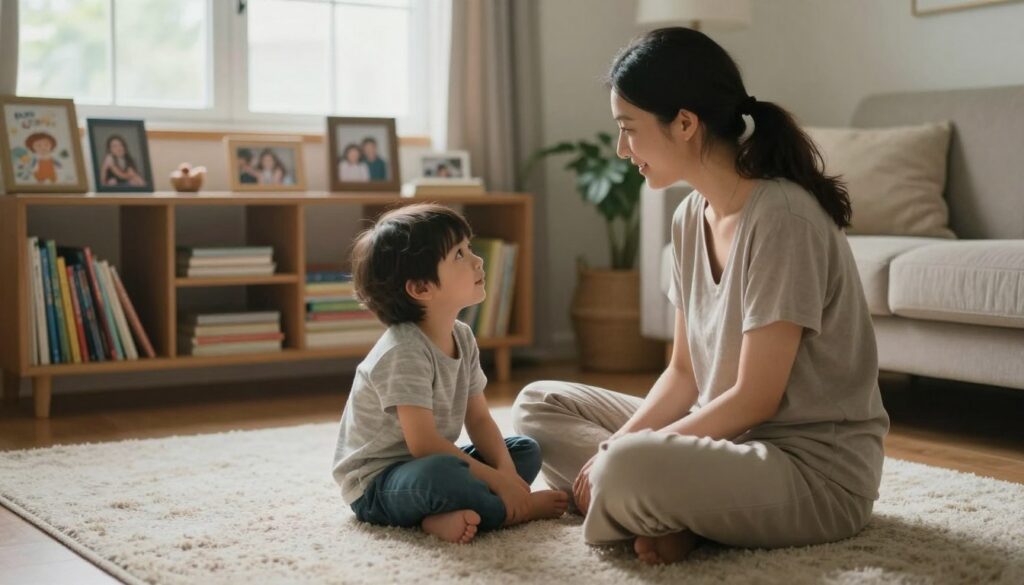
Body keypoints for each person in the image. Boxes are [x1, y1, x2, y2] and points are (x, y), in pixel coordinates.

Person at [512, 27, 889, 564]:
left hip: (812, 472)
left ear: (685, 123)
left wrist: (621, 453)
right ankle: (686, 513)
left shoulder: (782, 219)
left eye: (629, 129)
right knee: (537, 407)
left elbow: (756, 400)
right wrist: (615, 446)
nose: (622, 149)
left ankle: (673, 506)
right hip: (725, 445)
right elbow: (684, 375)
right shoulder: (691, 216)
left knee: (623, 468)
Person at [333, 203, 568, 544]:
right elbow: (425, 445)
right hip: (378, 484)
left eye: (470, 248)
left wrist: (503, 471)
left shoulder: (462, 336)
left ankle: (438, 518)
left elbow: (480, 419)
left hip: (428, 465)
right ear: (420, 288)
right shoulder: (403, 351)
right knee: (441, 473)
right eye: (459, 254)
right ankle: (509, 511)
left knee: (524, 451)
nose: (478, 260)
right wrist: (503, 484)